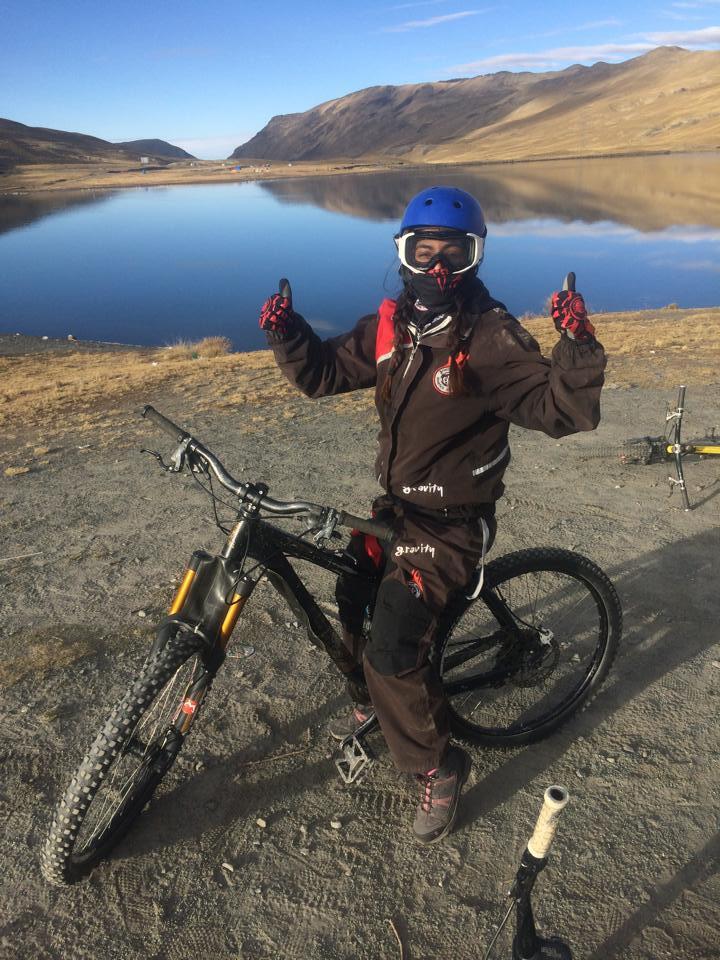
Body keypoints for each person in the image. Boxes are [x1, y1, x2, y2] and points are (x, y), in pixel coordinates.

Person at [258, 185, 605, 844]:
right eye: (425, 249)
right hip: (396, 506)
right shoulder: (392, 325)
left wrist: (577, 346)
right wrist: (288, 332)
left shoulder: (491, 334)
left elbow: (560, 410)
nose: (437, 264)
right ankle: (376, 702)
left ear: (474, 257)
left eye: (454, 250)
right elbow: (326, 372)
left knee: (392, 647)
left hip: (450, 522)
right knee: (351, 588)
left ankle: (437, 765)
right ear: (406, 252)